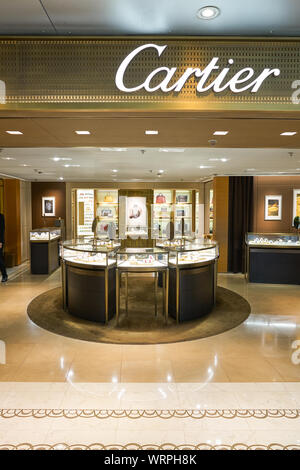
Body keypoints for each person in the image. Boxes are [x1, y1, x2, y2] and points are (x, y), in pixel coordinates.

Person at [0, 212, 8, 283]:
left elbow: (2, 230)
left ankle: (4, 275)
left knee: (0, 259)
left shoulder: (1, 216)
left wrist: (1, 242)